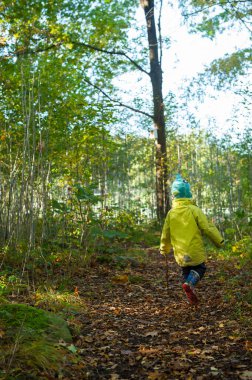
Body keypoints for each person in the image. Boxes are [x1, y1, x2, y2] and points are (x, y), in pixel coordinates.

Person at [160, 174, 224, 305]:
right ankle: (189, 284)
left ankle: (188, 287)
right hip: (194, 250)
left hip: (180, 253)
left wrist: (164, 249)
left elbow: (165, 233)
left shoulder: (171, 213)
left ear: (174, 195)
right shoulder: (194, 210)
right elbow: (207, 228)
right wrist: (219, 241)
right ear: (188, 193)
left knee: (186, 270)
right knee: (200, 268)